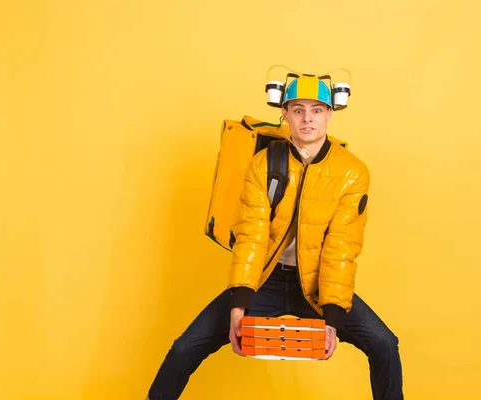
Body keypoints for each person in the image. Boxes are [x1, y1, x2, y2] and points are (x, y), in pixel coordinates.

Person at [146, 75, 404, 400]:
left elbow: (341, 247)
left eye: (316, 110)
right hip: (264, 280)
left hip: (315, 285)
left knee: (384, 343)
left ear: (329, 115)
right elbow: (251, 236)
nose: (307, 118)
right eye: (298, 110)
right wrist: (239, 307)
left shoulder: (352, 172)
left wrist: (332, 320)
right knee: (185, 348)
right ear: (284, 113)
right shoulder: (262, 163)